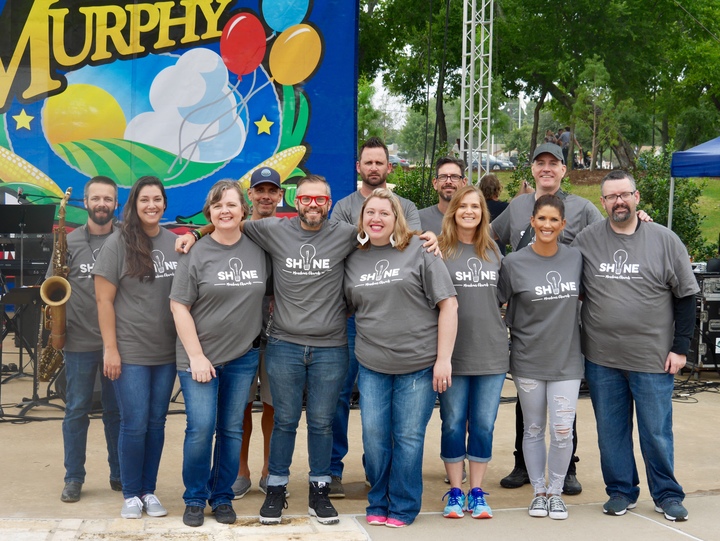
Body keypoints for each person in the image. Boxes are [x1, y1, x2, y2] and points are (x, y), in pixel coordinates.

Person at [572, 171, 697, 522]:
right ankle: (621, 491)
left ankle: (667, 494)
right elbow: (558, 266)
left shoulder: (664, 239)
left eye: (624, 195)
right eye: (611, 197)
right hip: (601, 357)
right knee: (611, 432)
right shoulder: (586, 240)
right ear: (603, 203)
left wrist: (680, 348)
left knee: (656, 431)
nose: (619, 202)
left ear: (637, 197)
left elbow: (686, 296)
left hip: (653, 358)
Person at [492, 143, 603, 495]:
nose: (547, 169)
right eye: (540, 163)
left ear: (563, 170)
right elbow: (488, 237)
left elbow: (606, 238)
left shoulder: (583, 208)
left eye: (553, 163)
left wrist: (640, 218)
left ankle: (566, 469)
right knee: (529, 412)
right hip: (526, 323)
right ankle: (523, 465)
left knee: (562, 413)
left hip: (564, 323)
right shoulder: (518, 206)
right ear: (533, 169)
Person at [344, 188, 457, 528]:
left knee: (408, 438)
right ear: (361, 219)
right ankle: (378, 501)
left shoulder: (421, 251)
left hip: (418, 365)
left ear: (397, 219)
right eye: (370, 213)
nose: (376, 218)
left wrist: (443, 359)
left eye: (384, 213)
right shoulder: (352, 257)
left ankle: (404, 505)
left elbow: (448, 304)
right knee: (374, 438)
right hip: (372, 364)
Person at [328, 137, 430, 499]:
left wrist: (428, 237)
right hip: (353, 314)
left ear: (389, 167)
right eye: (367, 162)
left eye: (379, 163)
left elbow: (414, 244)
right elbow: (337, 250)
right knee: (341, 395)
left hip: (395, 317)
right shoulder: (342, 207)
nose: (373, 168)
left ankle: (380, 474)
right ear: (359, 167)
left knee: (387, 410)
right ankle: (333, 471)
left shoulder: (406, 206)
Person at [170, 180, 269, 527]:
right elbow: (179, 306)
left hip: (243, 357)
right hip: (199, 358)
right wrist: (197, 357)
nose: (225, 210)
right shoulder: (194, 252)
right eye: (217, 205)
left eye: (231, 204)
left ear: (244, 209)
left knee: (230, 430)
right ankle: (195, 497)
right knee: (200, 428)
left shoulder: (259, 246)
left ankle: (222, 495)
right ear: (209, 213)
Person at [93, 176, 178, 519]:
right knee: (134, 423)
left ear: (164, 204)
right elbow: (103, 300)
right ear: (133, 205)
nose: (151, 205)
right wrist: (110, 349)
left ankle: (149, 490)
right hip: (130, 352)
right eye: (145, 200)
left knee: (156, 423)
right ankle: (130, 493)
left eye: (157, 199)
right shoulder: (118, 243)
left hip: (167, 352)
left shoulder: (175, 243)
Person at [498, 194, 584, 520]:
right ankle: (538, 493)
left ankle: (556, 493)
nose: (547, 225)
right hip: (527, 360)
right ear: (532, 222)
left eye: (554, 220)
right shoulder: (513, 262)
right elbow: (494, 304)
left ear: (563, 224)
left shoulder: (576, 258)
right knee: (533, 429)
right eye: (541, 219)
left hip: (566, 362)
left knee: (562, 431)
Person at [437, 185, 507, 519]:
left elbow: (506, 297)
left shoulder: (493, 251)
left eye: (475, 207)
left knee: (482, 425)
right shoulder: (438, 250)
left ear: (483, 213)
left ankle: (476, 492)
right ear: (453, 211)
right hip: (453, 355)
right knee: (452, 424)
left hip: (491, 354)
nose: (469, 211)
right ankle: (454, 491)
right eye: (462, 206)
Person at [59, 176, 121, 503]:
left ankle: (119, 473)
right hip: (79, 341)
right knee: (76, 411)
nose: (101, 204)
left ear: (115, 204)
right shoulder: (68, 241)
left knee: (116, 412)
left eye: (107, 199)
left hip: (120, 343)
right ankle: (73, 477)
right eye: (96, 198)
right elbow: (53, 285)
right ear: (85, 202)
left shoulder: (126, 239)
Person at [233, 168, 284, 499]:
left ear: (280, 196)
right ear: (249, 195)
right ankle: (240, 472)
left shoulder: (289, 230)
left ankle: (269, 470)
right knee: (239, 405)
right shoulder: (236, 230)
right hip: (240, 330)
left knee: (273, 405)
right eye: (259, 190)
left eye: (272, 190)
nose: (265, 195)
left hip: (279, 331)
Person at [418, 156, 468, 235]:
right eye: (443, 177)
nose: (448, 181)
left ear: (464, 183)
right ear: (435, 183)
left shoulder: (472, 219)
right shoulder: (418, 219)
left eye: (454, 177)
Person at [479, 173, 509, 255]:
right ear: (498, 188)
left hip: (480, 248)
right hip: (498, 250)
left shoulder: (477, 207)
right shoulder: (505, 207)